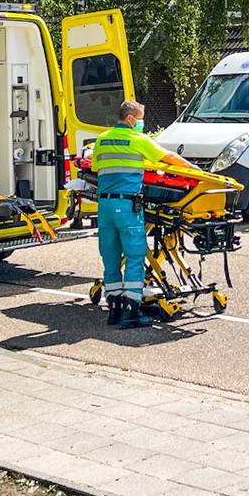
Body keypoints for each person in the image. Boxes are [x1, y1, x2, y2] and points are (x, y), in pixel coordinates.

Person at [90, 100, 191, 329]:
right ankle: (131, 313)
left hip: (105, 207)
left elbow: (96, 168)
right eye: (140, 118)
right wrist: (193, 168)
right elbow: (169, 158)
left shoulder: (102, 139)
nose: (141, 123)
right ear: (130, 119)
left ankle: (114, 310)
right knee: (134, 257)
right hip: (127, 206)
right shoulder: (138, 140)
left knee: (111, 258)